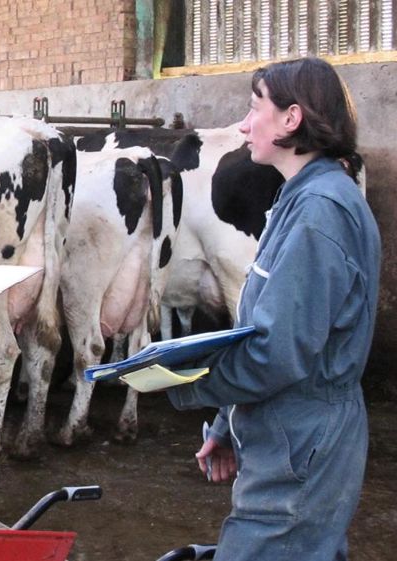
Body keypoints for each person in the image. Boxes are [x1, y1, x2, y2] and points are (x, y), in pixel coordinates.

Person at [166, 57, 380, 560]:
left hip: (303, 444)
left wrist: (180, 380)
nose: (243, 124)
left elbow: (276, 354)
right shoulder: (295, 198)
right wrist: (226, 422)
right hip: (286, 436)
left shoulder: (319, 215)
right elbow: (261, 327)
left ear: (292, 119)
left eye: (254, 106)